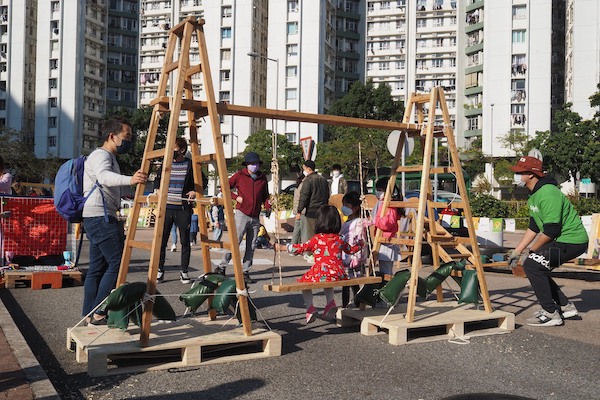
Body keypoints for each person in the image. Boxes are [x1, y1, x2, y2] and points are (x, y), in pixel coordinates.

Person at [508, 156, 588, 327]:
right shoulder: (534, 194)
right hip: (563, 239)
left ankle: (550, 313)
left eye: (520, 172)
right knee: (538, 266)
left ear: (531, 174)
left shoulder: (548, 192)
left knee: (532, 265)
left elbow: (552, 230)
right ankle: (566, 307)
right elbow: (534, 227)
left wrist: (532, 251)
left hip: (572, 241)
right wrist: (517, 250)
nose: (517, 176)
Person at [81, 118, 147, 325]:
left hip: (96, 215)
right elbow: (104, 178)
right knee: (117, 262)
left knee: (97, 267)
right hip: (100, 216)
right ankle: (100, 310)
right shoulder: (101, 155)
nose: (129, 141)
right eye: (126, 137)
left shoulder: (109, 157)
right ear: (112, 136)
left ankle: (89, 313)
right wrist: (131, 179)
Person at [276, 205, 364, 324]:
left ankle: (310, 308)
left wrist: (282, 247)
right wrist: (360, 245)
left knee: (304, 283)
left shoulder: (317, 239)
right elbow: (351, 250)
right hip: (339, 273)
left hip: (322, 271)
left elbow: (300, 248)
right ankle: (330, 302)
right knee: (328, 281)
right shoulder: (339, 239)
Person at [214, 152, 271, 284]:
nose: (254, 166)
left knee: (251, 245)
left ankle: (245, 271)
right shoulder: (239, 176)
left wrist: (268, 205)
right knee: (235, 241)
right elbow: (224, 187)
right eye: (252, 164)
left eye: (256, 164)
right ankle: (222, 266)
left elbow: (265, 196)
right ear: (246, 165)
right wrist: (235, 197)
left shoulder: (262, 178)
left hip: (255, 216)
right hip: (241, 214)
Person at [154, 137, 197, 284]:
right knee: (162, 240)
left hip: (183, 208)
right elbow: (157, 180)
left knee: (185, 241)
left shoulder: (190, 165)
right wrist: (157, 189)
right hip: (166, 207)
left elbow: (200, 181)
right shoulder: (166, 164)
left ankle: (184, 271)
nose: (171, 152)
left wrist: (194, 191)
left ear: (182, 150)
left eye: (174, 149)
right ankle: (159, 270)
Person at [340, 191, 368, 308]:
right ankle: (346, 305)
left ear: (356, 208)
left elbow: (360, 240)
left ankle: (355, 304)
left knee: (354, 282)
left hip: (354, 256)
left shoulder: (359, 223)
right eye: (344, 205)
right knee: (346, 283)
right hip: (345, 256)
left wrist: (358, 256)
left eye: (347, 206)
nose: (344, 208)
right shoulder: (346, 222)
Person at [371, 177, 403, 277]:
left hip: (387, 240)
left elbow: (389, 223)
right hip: (383, 240)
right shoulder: (383, 204)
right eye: (377, 190)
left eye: (380, 190)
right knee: (384, 269)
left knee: (386, 271)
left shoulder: (390, 206)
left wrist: (374, 221)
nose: (378, 192)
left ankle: (390, 288)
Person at [296, 160, 329, 249]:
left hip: (311, 211)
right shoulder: (323, 180)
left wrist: (299, 211)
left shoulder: (308, 180)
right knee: (320, 234)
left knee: (310, 234)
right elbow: (327, 195)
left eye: (304, 169)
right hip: (322, 211)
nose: (304, 171)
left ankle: (311, 252)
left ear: (308, 169)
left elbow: (304, 197)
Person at [291, 173, 306, 245]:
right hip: (301, 211)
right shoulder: (303, 186)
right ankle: (295, 246)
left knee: (297, 229)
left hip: (297, 210)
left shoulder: (297, 186)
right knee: (302, 230)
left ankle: (294, 246)